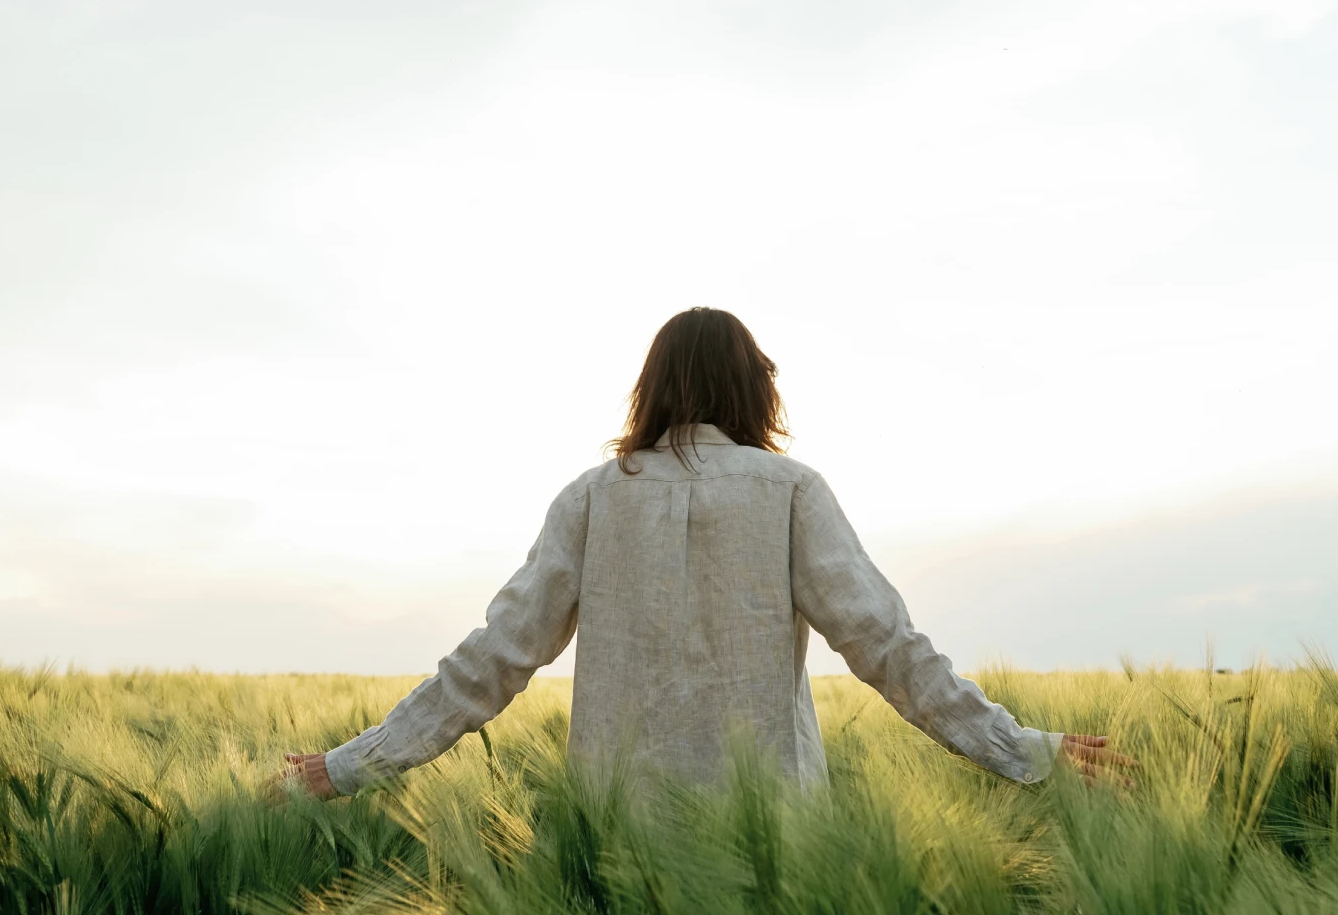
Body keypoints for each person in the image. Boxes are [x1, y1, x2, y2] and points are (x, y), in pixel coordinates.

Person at [280, 307, 1134, 801]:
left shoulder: (590, 498)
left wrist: (349, 766)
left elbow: (490, 663)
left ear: (649, 389)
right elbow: (889, 649)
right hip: (775, 859)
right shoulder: (791, 491)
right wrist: (1020, 748)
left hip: (617, 849)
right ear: (755, 388)